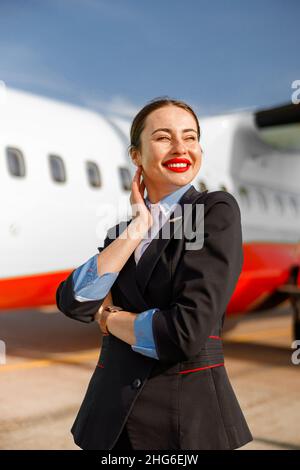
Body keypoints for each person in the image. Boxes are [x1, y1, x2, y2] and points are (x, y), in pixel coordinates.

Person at [56, 97, 253, 450]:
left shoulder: (212, 210)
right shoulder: (121, 234)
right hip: (109, 422)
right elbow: (74, 301)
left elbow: (183, 333)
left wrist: (110, 319)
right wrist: (138, 227)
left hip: (184, 426)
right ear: (136, 156)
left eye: (190, 137)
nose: (181, 147)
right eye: (164, 137)